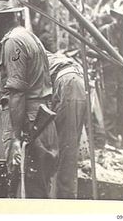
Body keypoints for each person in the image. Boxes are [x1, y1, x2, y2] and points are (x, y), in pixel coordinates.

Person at [0, 0, 58, 198]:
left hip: (29, 121)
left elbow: (17, 93)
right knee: (39, 184)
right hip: (40, 117)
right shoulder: (28, 36)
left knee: (25, 187)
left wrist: (15, 138)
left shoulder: (13, 42)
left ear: (0, 20)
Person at [46, 51, 86, 199]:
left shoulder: (20, 52)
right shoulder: (30, 47)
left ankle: (66, 200)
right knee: (64, 146)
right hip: (69, 81)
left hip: (68, 82)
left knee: (66, 148)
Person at [98, 9, 123, 148]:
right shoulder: (104, 31)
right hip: (109, 72)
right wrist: (106, 54)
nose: (122, 22)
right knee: (111, 107)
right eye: (120, 18)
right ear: (115, 18)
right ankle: (111, 139)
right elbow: (90, 50)